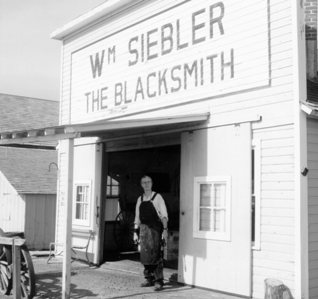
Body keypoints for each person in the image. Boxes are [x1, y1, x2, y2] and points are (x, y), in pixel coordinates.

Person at [133, 175, 168, 291]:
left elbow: (164, 215)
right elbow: (137, 218)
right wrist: (135, 232)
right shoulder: (140, 199)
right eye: (144, 182)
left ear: (152, 183)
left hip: (155, 230)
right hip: (143, 230)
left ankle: (159, 281)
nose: (146, 184)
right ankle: (149, 278)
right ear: (141, 185)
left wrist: (165, 230)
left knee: (156, 255)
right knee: (145, 255)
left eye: (148, 182)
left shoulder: (158, 197)